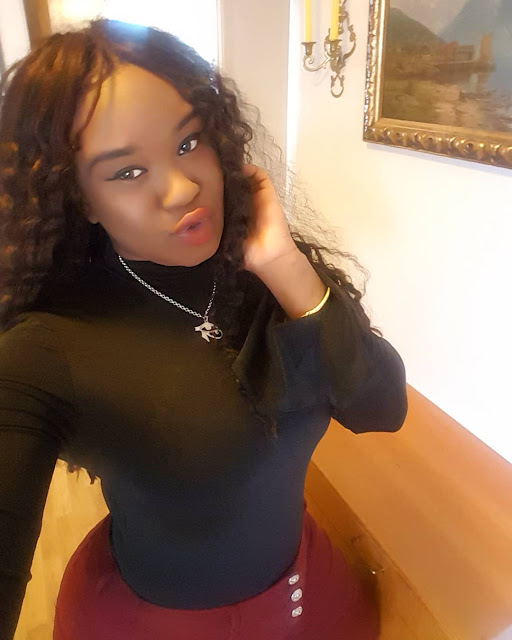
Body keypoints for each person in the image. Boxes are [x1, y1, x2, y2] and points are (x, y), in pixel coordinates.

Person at [0, 18, 407, 640]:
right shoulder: (47, 346)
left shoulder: (266, 274)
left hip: (312, 590)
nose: (183, 187)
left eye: (190, 142)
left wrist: (285, 267)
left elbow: (382, 408)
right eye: (126, 172)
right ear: (79, 198)